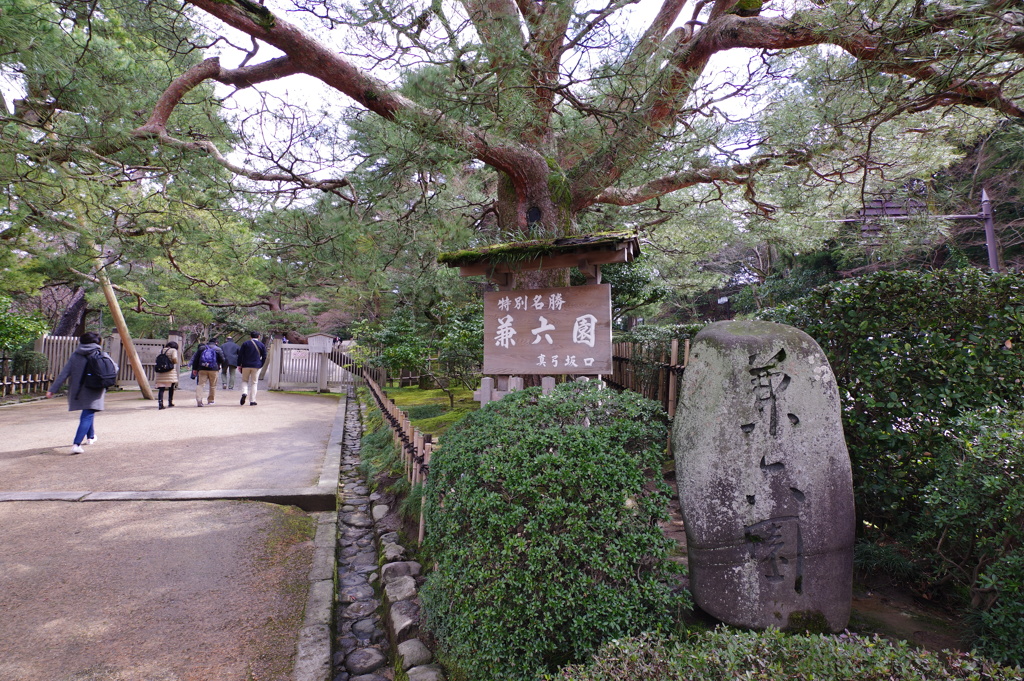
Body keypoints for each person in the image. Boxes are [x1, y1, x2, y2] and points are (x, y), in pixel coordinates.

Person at [45, 331, 118, 455]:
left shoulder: (76, 355)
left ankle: (91, 436)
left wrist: (52, 389)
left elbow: (64, 373)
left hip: (79, 390)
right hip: (95, 389)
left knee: (88, 412)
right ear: (97, 342)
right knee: (87, 414)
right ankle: (76, 444)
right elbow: (114, 368)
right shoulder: (100, 354)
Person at [190, 338, 226, 407]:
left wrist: (194, 369)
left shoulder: (202, 348)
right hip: (214, 369)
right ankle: (211, 400)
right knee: (213, 385)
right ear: (216, 342)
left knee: (200, 384)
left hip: (202, 369)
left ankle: (199, 399)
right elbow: (222, 359)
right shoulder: (218, 349)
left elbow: (196, 359)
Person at [237, 331, 267, 406]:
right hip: (256, 365)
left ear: (250, 336)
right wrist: (261, 364)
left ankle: (244, 393)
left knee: (244, 380)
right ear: (259, 336)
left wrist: (239, 365)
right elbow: (264, 356)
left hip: (246, 365)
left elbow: (240, 355)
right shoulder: (261, 345)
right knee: (254, 383)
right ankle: (252, 400)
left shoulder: (245, 344)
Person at [154, 341, 179, 409]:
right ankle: (170, 402)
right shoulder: (173, 350)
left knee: (161, 388)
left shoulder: (161, 350)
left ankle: (160, 403)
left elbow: (156, 358)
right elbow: (174, 358)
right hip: (169, 371)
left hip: (160, 371)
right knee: (171, 387)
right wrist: (173, 362)